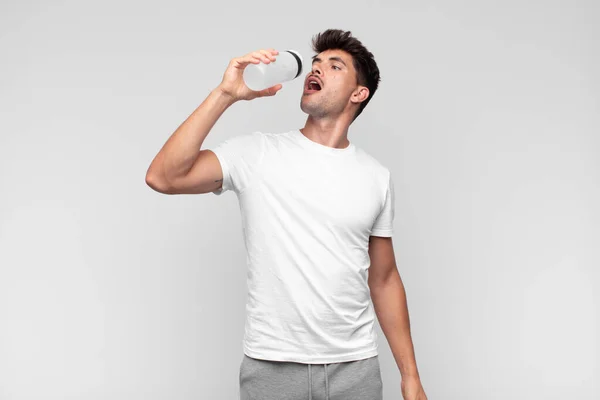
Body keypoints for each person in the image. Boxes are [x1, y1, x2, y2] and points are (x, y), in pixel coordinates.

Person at [146, 29, 427, 400]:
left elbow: (385, 278)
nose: (318, 69)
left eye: (334, 65)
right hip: (272, 370)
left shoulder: (376, 177)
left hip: (355, 370)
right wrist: (225, 95)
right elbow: (163, 177)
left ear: (359, 94)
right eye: (315, 63)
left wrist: (410, 377)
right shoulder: (256, 153)